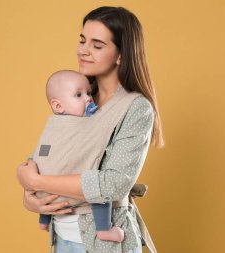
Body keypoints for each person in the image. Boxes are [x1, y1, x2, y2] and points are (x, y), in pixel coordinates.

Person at [17, 6, 164, 253]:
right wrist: (31, 195)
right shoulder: (79, 98)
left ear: (121, 55)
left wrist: (38, 180)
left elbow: (113, 184)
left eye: (97, 45)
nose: (83, 50)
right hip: (62, 237)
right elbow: (54, 155)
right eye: (83, 40)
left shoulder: (135, 108)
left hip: (103, 245)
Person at [36, 69, 125, 242]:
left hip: (45, 194)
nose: (88, 99)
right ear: (58, 106)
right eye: (78, 95)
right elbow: (100, 139)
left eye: (89, 93)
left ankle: (43, 221)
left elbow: (42, 153)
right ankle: (104, 229)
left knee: (45, 168)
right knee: (98, 188)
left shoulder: (53, 125)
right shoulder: (85, 125)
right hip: (71, 192)